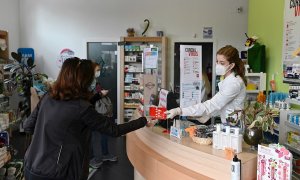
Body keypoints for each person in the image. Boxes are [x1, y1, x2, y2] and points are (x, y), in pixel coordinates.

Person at [23, 58, 153, 180]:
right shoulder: (81, 107)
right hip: (59, 172)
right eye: (91, 77)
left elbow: (28, 125)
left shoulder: (48, 96)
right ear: (82, 80)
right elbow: (114, 130)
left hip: (31, 166)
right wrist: (143, 120)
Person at [166, 45, 247, 124]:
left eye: (222, 63)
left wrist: (180, 111)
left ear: (231, 65)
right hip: (229, 123)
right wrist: (209, 114)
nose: (218, 65)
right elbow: (224, 104)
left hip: (234, 125)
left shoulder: (234, 83)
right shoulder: (228, 80)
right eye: (217, 62)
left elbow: (213, 104)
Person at [89, 63, 117, 169]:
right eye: (97, 70)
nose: (99, 72)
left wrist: (101, 93)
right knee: (97, 135)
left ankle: (103, 156)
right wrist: (100, 94)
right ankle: (99, 157)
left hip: (99, 112)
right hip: (95, 112)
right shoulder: (88, 82)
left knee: (101, 133)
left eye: (99, 70)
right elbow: (90, 97)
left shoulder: (94, 81)